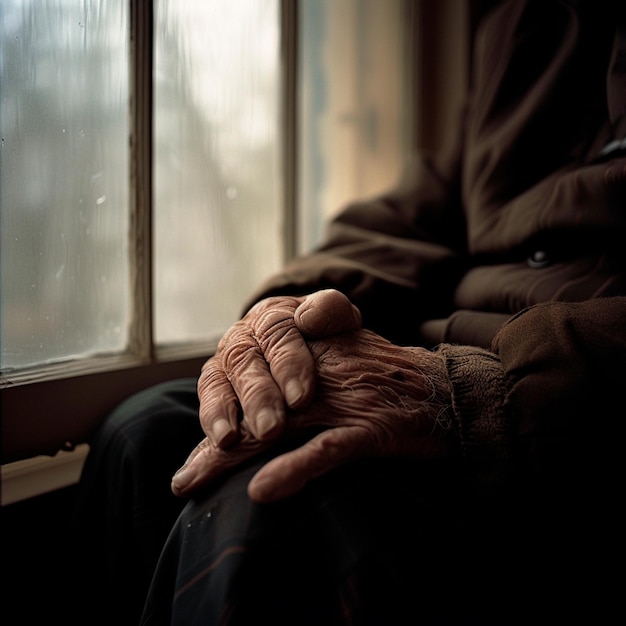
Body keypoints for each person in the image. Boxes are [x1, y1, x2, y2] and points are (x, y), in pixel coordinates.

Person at [72, 1, 626, 624]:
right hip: (443, 352)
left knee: (272, 513)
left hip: (571, 403)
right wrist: (291, 314)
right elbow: (417, 215)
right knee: (142, 434)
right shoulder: (535, 22)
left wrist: (483, 394)